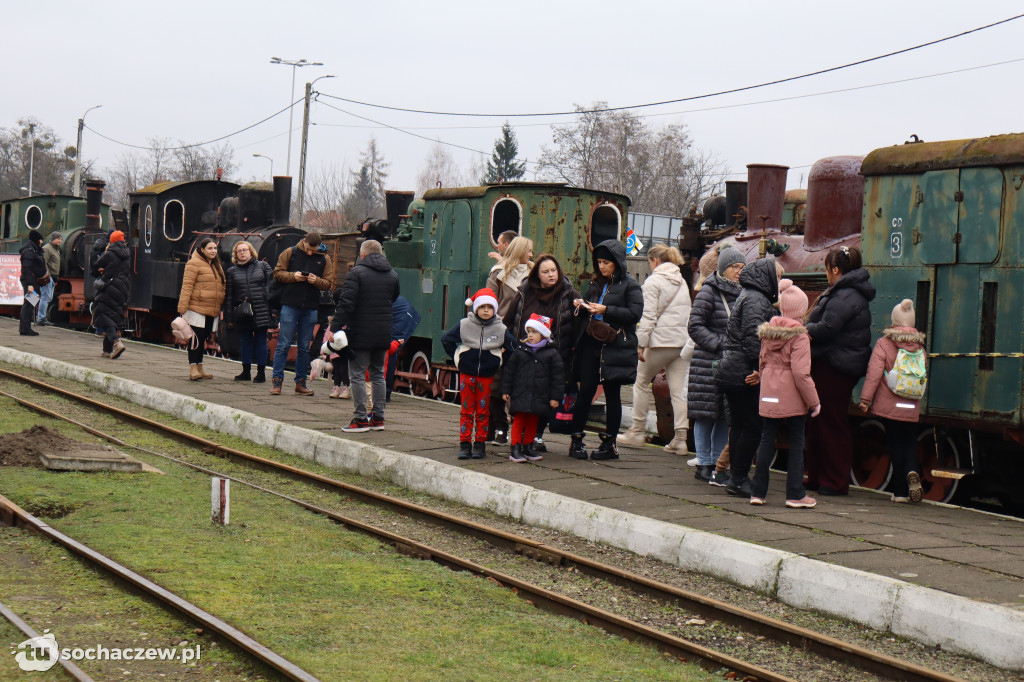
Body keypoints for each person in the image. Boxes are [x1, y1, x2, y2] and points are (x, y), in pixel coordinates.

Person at [804, 246, 876, 496]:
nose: (825, 274)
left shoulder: (845, 294)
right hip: (835, 363)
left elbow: (827, 327)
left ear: (835, 270)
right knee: (819, 421)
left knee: (831, 422)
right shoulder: (848, 292)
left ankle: (834, 481)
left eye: (826, 269)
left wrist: (803, 329)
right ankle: (817, 477)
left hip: (835, 366)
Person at [569, 239, 644, 460]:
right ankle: (576, 440)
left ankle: (610, 444)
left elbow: (634, 314)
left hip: (615, 345)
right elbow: (590, 307)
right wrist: (582, 306)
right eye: (599, 262)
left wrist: (606, 309)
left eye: (606, 262)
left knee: (613, 394)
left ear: (617, 263)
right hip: (592, 341)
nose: (602, 266)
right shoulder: (595, 284)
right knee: (586, 391)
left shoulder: (631, 285)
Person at [715, 255, 782, 497]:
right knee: (752, 426)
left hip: (732, 368)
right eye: (779, 277)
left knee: (741, 425)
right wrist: (759, 368)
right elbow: (753, 338)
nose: (780, 281)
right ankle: (739, 478)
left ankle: (736, 476)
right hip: (744, 371)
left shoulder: (748, 295)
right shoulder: (757, 299)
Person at [750, 279, 820, 508]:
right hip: (792, 397)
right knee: (797, 441)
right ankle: (795, 494)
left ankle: (758, 492)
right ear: (800, 310)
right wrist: (814, 402)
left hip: (769, 392)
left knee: (766, 439)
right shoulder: (799, 336)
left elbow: (761, 364)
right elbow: (801, 374)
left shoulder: (768, 333)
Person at [504, 253, 583, 452]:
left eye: (554, 270)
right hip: (525, 355)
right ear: (537, 275)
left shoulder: (570, 294)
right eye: (546, 271)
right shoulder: (524, 292)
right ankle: (518, 438)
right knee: (524, 396)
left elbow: (579, 325)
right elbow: (509, 320)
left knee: (545, 397)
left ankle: (536, 437)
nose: (551, 275)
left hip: (555, 357)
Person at [619, 244, 692, 454]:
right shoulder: (681, 282)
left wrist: (641, 343)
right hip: (681, 343)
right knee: (678, 392)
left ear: (655, 261)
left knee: (641, 381)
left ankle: (637, 431)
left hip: (661, 342)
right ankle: (680, 439)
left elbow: (648, 316)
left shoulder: (654, 281)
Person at [858, 299, 926, 503]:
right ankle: (913, 471)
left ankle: (900, 493)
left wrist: (865, 399)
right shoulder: (919, 347)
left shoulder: (884, 343)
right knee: (910, 443)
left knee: (895, 444)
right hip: (911, 404)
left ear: (894, 321)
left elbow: (874, 374)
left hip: (891, 404)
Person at [330, 239, 400, 432]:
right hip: (383, 332)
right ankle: (378, 419)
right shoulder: (392, 275)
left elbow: (346, 304)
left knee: (358, 375)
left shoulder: (357, 273)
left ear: (362, 255)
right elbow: (393, 297)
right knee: (378, 375)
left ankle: (360, 419)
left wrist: (334, 328)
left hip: (361, 332)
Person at [687, 246, 743, 484]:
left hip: (728, 363)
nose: (738, 272)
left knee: (723, 415)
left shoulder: (742, 293)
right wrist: (721, 343)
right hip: (707, 362)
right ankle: (703, 462)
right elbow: (695, 326)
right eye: (734, 267)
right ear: (723, 268)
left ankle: (718, 465)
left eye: (741, 267)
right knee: (704, 414)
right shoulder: (708, 292)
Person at [441, 288, 514, 459]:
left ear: (495, 309)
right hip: (467, 374)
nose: (486, 310)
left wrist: (499, 360)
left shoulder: (500, 328)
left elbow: (513, 347)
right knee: (466, 410)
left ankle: (479, 444)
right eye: (482, 307)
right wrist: (459, 357)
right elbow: (446, 339)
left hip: (487, 376)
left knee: (483, 411)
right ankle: (465, 444)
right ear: (476, 308)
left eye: (490, 307)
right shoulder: (465, 324)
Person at [270, 232, 335, 396]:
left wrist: (316, 281)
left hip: (311, 308)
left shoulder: (324, 258)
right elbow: (277, 273)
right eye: (308, 249)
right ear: (304, 242)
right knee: (283, 345)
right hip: (290, 305)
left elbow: (328, 283)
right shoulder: (290, 252)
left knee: (305, 348)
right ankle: (277, 382)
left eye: (314, 250)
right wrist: (294, 276)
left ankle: (301, 383)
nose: (310, 253)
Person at [485, 235, 534, 444]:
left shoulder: (534, 274)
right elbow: (490, 302)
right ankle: (500, 427)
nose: (531, 255)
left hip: (527, 334)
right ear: (520, 251)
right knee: (496, 382)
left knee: (521, 383)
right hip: (501, 331)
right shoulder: (498, 274)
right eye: (529, 251)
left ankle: (520, 429)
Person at [502, 314, 565, 463]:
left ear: (543, 334)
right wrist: (506, 390)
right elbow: (509, 371)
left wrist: (556, 397)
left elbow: (558, 377)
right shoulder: (520, 351)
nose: (530, 335)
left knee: (533, 421)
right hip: (521, 393)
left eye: (534, 332)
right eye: (528, 332)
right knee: (519, 420)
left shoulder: (552, 354)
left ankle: (528, 446)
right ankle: (515, 447)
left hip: (540, 395)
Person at [224, 241, 274, 383]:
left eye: (245, 250)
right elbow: (229, 296)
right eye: (239, 251)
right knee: (245, 341)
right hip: (242, 311)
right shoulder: (231, 272)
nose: (242, 252)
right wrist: (229, 318)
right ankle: (245, 371)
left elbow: (272, 288)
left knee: (260, 341)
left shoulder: (263, 266)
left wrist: (273, 309)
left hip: (261, 308)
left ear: (251, 251)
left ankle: (261, 373)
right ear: (236, 254)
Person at [177, 237, 226, 380]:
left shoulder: (217, 265)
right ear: (202, 250)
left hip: (212, 308)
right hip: (196, 308)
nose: (213, 251)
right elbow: (187, 286)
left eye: (215, 248)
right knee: (195, 339)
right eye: (210, 248)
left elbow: (223, 285)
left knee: (204, 337)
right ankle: (193, 367)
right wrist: (183, 307)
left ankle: (200, 366)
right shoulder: (193, 264)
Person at [91, 230, 130, 359]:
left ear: (112, 240)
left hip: (110, 286)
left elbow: (96, 265)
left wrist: (96, 253)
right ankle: (106, 351)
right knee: (113, 315)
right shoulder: (127, 253)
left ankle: (116, 342)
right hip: (123, 287)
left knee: (102, 314)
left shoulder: (111, 253)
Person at [384, 295, 421, 402]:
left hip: (402, 316)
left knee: (390, 352)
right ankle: (384, 392)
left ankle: (385, 392)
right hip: (401, 313)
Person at [18, 229, 47, 336]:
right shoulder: (29, 252)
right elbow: (26, 269)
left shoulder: (34, 250)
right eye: (40, 240)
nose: (42, 242)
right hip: (30, 282)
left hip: (33, 281)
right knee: (28, 304)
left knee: (31, 304)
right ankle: (25, 329)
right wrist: (30, 284)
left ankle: (26, 327)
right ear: (37, 240)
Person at [37, 232, 62, 325]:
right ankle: (41, 318)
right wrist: (47, 275)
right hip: (48, 276)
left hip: (52, 277)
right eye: (58, 239)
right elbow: (43, 263)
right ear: (53, 239)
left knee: (48, 297)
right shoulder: (47, 249)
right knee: (45, 297)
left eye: (61, 239)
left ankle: (41, 317)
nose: (60, 241)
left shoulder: (56, 250)